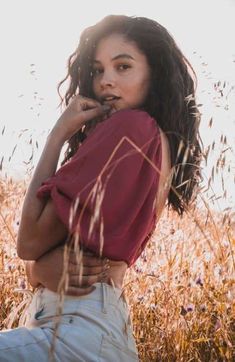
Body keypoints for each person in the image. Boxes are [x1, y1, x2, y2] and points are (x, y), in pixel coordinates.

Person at [0, 14, 202, 361]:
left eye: (123, 67)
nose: (106, 81)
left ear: (153, 74)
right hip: (96, 329)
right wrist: (38, 269)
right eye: (97, 70)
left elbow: (29, 241)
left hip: (74, 332)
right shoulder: (156, 141)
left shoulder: (130, 127)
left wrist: (56, 136)